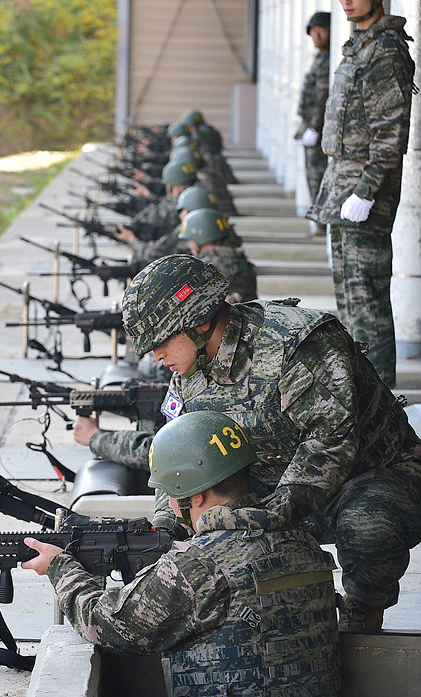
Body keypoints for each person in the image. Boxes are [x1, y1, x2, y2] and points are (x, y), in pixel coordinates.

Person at [121, 254, 421, 630]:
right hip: (274, 485)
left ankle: (363, 613)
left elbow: (329, 443)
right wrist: (169, 527)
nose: (157, 356)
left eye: (162, 341)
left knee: (368, 523)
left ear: (199, 321)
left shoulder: (298, 344)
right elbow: (178, 457)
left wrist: (263, 517)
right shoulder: (190, 368)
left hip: (371, 478)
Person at [23, 410, 340, 696]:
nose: (171, 506)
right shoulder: (303, 541)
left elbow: (103, 626)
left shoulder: (198, 566)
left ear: (197, 497)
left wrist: (59, 566)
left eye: (172, 495)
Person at [307, 0, 415, 388]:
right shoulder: (360, 46)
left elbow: (391, 135)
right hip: (344, 191)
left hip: (362, 196)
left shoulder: (385, 51)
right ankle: (364, 398)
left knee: (367, 303)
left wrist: (366, 191)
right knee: (351, 303)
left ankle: (383, 401)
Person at [295, 11, 330, 233]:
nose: (316, 37)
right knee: (312, 175)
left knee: (318, 175)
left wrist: (315, 127)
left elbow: (322, 96)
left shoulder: (328, 60)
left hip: (319, 129)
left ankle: (321, 220)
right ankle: (319, 218)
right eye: (313, 33)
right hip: (311, 126)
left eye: (320, 31)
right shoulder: (320, 58)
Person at [178, 207, 257, 302]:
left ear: (200, 238)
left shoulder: (203, 269)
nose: (190, 245)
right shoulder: (242, 262)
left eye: (192, 240)